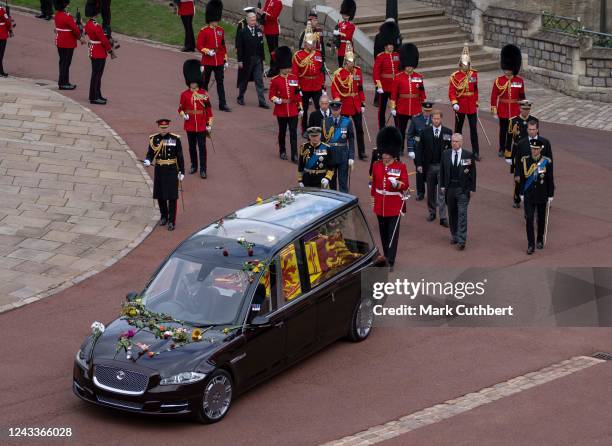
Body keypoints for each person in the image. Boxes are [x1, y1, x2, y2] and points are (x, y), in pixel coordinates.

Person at [370, 126, 409, 269]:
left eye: (387, 153)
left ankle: (391, 260)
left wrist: (397, 184)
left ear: (393, 154)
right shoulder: (376, 165)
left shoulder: (401, 166)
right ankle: (386, 255)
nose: (384, 156)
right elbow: (374, 184)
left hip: (394, 204)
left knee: (393, 234)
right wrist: (373, 199)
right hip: (380, 204)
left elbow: (405, 184)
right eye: (383, 153)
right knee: (383, 233)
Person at [143, 119, 185, 232]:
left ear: (168, 128)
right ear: (158, 128)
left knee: (172, 196)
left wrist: (182, 171)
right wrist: (148, 160)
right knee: (160, 195)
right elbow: (150, 153)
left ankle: (172, 221)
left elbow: (180, 156)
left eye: (165, 128)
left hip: (171, 169)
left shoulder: (175, 139)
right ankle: (164, 216)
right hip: (160, 170)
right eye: (162, 128)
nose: (163, 130)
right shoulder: (154, 139)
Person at [440, 133, 476, 250]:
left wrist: (472, 189)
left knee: (462, 214)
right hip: (450, 188)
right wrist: (442, 185)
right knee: (452, 212)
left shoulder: (468, 155)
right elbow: (442, 171)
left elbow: (473, 174)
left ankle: (462, 240)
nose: (454, 143)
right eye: (453, 141)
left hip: (462, 189)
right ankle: (454, 235)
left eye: (456, 141)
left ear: (461, 142)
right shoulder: (445, 154)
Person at [331, 42, 367, 160]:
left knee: (359, 129)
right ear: (345, 62)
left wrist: (362, 102)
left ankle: (361, 152)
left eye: (353, 62)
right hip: (345, 104)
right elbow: (335, 88)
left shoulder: (358, 72)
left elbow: (360, 88)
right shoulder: (339, 73)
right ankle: (342, 149)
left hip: (356, 103)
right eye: (350, 62)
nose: (352, 64)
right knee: (343, 129)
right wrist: (337, 98)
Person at [178, 59, 214, 178]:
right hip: (190, 124)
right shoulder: (184, 94)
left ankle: (203, 169)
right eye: (191, 82)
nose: (193, 84)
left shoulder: (204, 93)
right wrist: (184, 115)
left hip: (202, 124)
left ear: (198, 82)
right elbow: (180, 109)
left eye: (194, 82)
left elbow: (208, 110)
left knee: (202, 147)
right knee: (192, 147)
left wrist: (209, 124)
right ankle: (194, 165)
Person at [416, 109, 452, 226]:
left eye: (438, 118)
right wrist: (419, 164)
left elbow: (451, 150)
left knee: (442, 192)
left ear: (441, 119)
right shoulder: (425, 132)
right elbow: (420, 149)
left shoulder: (448, 132)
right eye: (434, 118)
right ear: (431, 119)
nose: (436, 120)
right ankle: (432, 212)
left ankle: (443, 217)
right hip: (430, 166)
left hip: (442, 166)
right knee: (430, 191)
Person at [518, 140, 554, 254]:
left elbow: (549, 179)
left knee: (541, 219)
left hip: (542, 194)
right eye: (533, 148)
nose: (534, 151)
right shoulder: (525, 160)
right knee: (529, 218)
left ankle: (539, 239)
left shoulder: (546, 162)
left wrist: (551, 194)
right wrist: (521, 193)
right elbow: (523, 178)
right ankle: (530, 245)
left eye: (536, 149)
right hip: (529, 195)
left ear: (540, 149)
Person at [390, 43, 426, 157]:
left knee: (416, 130)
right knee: (401, 130)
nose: (409, 67)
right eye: (407, 65)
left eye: (411, 65)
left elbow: (422, 93)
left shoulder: (418, 77)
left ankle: (415, 147)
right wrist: (393, 107)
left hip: (415, 107)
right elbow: (394, 95)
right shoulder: (398, 77)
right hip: (402, 107)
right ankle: (400, 148)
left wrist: (424, 106)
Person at [491, 44, 525, 157]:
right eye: (506, 68)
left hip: (515, 110)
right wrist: (494, 110)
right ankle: (501, 148)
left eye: (509, 69)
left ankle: (509, 148)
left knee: (512, 132)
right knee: (503, 131)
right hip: (503, 110)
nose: (506, 71)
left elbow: (522, 97)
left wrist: (524, 110)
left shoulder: (519, 81)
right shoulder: (499, 81)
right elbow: (494, 96)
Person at [269, 46, 302, 162]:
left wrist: (300, 107)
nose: (289, 70)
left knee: (293, 132)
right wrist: (277, 100)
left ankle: (294, 155)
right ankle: (282, 151)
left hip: (293, 109)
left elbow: (298, 94)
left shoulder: (294, 78)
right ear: (281, 68)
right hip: (281, 110)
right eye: (286, 68)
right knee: (282, 132)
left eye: (289, 67)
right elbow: (271, 95)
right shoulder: (275, 80)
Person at [197, 0, 231, 112]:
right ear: (210, 19)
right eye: (215, 20)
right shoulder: (204, 31)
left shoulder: (221, 31)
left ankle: (223, 104)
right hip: (207, 61)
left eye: (217, 19)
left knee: (220, 83)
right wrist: (207, 51)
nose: (216, 22)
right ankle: (204, 102)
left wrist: (225, 60)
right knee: (204, 83)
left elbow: (223, 46)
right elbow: (199, 45)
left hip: (219, 61)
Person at [449, 43, 480, 160]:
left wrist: (476, 102)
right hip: (460, 105)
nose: (466, 66)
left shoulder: (474, 74)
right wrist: (454, 103)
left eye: (467, 64)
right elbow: (452, 91)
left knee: (474, 130)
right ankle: (455, 149)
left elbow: (476, 89)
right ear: (460, 64)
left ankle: (476, 152)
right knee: (458, 129)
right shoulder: (455, 76)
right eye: (464, 64)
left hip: (471, 105)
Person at [292, 23, 324, 135]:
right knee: (304, 109)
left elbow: (320, 71)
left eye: (313, 43)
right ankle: (304, 129)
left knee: (319, 108)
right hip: (304, 85)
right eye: (310, 43)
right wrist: (297, 87)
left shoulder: (318, 54)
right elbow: (295, 74)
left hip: (316, 85)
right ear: (305, 43)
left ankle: (318, 128)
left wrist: (322, 84)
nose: (312, 45)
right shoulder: (298, 56)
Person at [505, 100, 538, 208]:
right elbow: (509, 138)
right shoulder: (513, 121)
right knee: (518, 176)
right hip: (517, 152)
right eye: (524, 109)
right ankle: (517, 198)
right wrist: (508, 155)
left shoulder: (534, 121)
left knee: (532, 174)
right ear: (520, 109)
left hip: (531, 151)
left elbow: (537, 139)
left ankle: (533, 196)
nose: (526, 111)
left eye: (528, 109)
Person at [236, 12, 268, 109]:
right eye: (252, 20)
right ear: (248, 20)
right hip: (247, 59)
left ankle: (262, 101)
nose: (254, 22)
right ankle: (240, 97)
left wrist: (263, 59)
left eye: (255, 20)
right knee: (244, 80)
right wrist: (239, 60)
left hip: (257, 59)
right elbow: (239, 47)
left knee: (259, 80)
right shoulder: (243, 32)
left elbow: (261, 46)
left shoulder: (258, 31)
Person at [84, 0, 113, 105]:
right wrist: (110, 49)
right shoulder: (96, 25)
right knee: (96, 75)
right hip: (99, 52)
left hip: (94, 51)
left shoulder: (89, 24)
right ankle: (93, 97)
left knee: (97, 75)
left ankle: (97, 94)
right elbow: (103, 40)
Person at [373, 20, 400, 129]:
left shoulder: (397, 55)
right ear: (385, 46)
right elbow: (376, 73)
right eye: (389, 45)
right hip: (383, 86)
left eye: (392, 45)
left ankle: (398, 127)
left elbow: (400, 70)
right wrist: (378, 86)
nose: (391, 46)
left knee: (395, 108)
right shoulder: (381, 57)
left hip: (394, 86)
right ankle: (381, 127)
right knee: (382, 109)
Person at [323, 100, 355, 192]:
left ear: (340, 109)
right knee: (331, 181)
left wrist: (351, 157)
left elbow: (351, 140)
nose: (335, 112)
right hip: (330, 155)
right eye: (333, 110)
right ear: (331, 110)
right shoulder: (325, 122)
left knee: (343, 182)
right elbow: (322, 140)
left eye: (337, 110)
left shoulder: (347, 122)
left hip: (343, 155)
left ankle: (344, 203)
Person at [406, 101, 434, 200]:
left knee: (431, 172)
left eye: (429, 111)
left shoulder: (435, 119)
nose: (427, 113)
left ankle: (431, 193)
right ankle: (420, 192)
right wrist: (410, 149)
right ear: (422, 109)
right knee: (420, 171)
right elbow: (410, 135)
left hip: (431, 151)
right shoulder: (416, 119)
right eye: (426, 111)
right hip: (418, 150)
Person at [54, 0, 84, 90]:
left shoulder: (57, 15)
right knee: (66, 63)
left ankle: (64, 81)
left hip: (60, 42)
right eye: (66, 5)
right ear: (63, 6)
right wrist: (80, 37)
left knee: (63, 62)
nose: (68, 6)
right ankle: (63, 83)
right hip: (68, 43)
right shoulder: (67, 17)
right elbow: (75, 30)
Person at [259, 0, 282, 77]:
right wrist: (261, 12)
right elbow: (265, 10)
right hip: (267, 29)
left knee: (274, 51)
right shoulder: (268, 0)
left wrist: (264, 14)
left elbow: (274, 16)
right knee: (271, 50)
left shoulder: (278, 2)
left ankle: (274, 69)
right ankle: (274, 68)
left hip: (273, 30)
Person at [334, 0, 356, 67]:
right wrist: (336, 46)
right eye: (343, 14)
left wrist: (339, 33)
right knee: (340, 65)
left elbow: (348, 36)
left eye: (345, 14)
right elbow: (336, 37)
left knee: (348, 65)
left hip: (347, 47)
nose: (343, 15)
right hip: (340, 47)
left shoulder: (351, 26)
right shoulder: (340, 24)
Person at [0, 3, 14, 77]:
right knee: (1, 54)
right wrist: (10, 30)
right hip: (1, 34)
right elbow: (8, 22)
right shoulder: (1, 10)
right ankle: (1, 71)